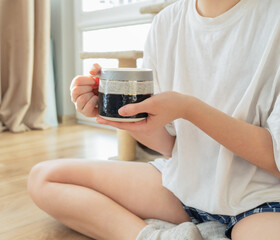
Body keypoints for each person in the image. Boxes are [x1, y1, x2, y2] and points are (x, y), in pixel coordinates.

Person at [27, 0, 280, 239]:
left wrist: (189, 109)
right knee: (44, 177)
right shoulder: (165, 23)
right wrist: (122, 117)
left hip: (262, 199)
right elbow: (171, 146)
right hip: (183, 189)